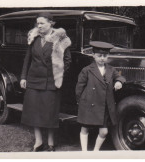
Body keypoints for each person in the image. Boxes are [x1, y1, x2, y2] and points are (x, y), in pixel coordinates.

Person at [20, 12, 72, 152]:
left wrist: (58, 72)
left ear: (51, 23)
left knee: (50, 113)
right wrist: (23, 77)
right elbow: (27, 58)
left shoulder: (60, 39)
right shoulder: (34, 37)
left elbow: (67, 60)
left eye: (42, 23)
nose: (39, 26)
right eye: (38, 23)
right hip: (34, 80)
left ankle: (50, 143)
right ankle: (38, 141)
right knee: (33, 112)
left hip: (51, 82)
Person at [75, 41, 126, 151]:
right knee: (85, 128)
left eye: (105, 56)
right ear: (93, 55)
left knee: (104, 132)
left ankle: (95, 151)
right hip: (89, 104)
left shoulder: (111, 69)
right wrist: (80, 102)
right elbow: (79, 87)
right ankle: (84, 152)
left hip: (104, 105)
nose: (102, 58)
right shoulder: (87, 70)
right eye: (99, 56)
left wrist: (119, 82)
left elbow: (121, 77)